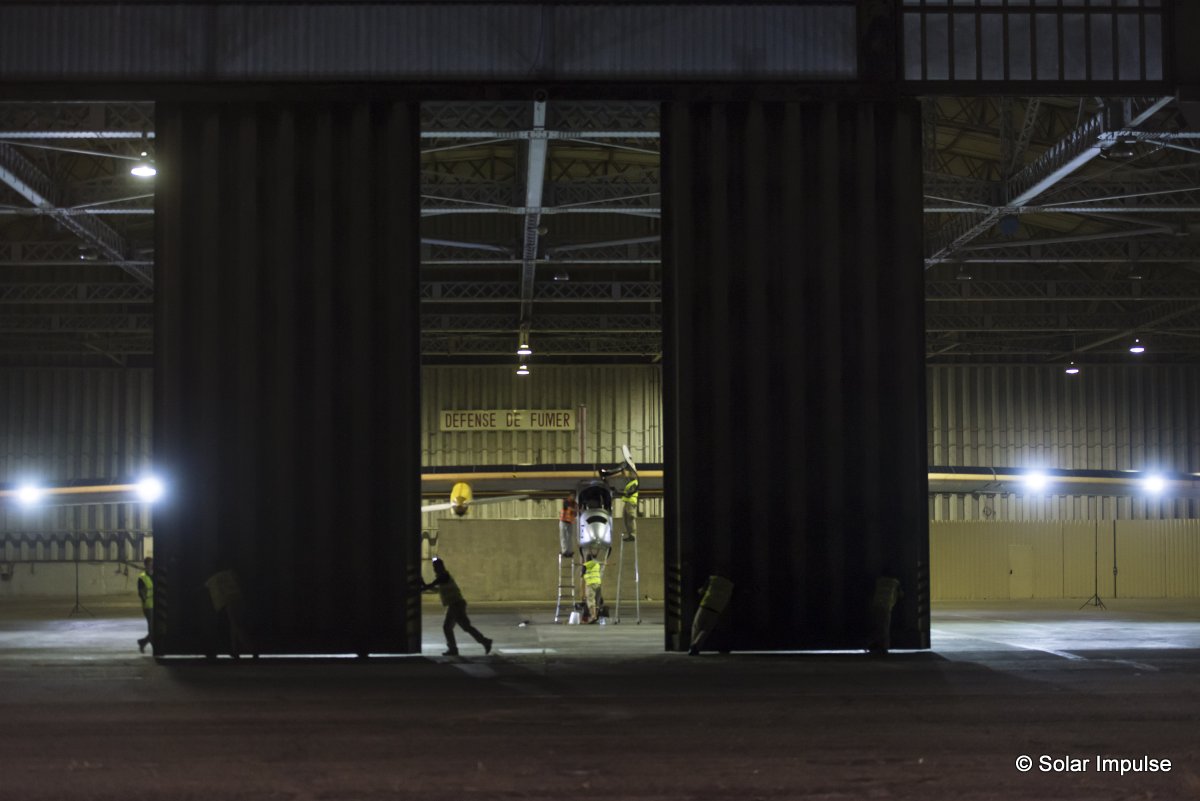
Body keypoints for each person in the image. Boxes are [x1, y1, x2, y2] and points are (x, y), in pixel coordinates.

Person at [421, 557, 492, 656]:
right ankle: (485, 641)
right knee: (466, 627)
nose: (434, 569)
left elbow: (432, 585)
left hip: (455, 605)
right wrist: (424, 586)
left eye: (435, 567)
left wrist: (422, 585)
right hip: (457, 604)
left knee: (447, 627)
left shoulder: (444, 576)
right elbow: (436, 588)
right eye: (434, 567)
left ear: (440, 567)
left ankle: (453, 649)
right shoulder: (443, 577)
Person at [204, 569, 254, 658]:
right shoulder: (229, 574)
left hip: (228, 601)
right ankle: (236, 650)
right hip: (237, 598)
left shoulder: (211, 580)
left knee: (236, 626)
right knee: (235, 626)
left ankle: (251, 649)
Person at [688, 575, 734, 655]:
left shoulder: (712, 579)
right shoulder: (730, 585)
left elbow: (701, 591)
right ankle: (696, 645)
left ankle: (692, 646)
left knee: (696, 626)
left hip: (705, 605)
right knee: (706, 629)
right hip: (717, 609)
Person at [136, 556, 153, 653]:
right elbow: (140, 592)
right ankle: (145, 643)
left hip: (157, 605)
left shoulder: (156, 575)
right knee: (152, 629)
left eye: (152, 565)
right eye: (149, 565)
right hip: (148, 606)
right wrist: (144, 598)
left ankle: (143, 642)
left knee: (154, 630)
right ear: (146, 565)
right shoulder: (142, 577)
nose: (151, 567)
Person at [581, 551, 604, 624]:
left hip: (590, 584)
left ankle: (593, 616)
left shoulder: (585, 565)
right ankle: (595, 615)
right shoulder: (597, 564)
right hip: (598, 583)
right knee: (597, 601)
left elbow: (582, 575)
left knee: (590, 601)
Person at [619, 474, 639, 542]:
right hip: (628, 502)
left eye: (631, 474)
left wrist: (622, 493)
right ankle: (630, 534)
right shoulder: (631, 482)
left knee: (630, 517)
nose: (630, 475)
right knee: (625, 518)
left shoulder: (635, 482)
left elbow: (630, 492)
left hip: (631, 501)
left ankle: (633, 534)